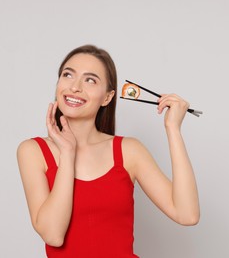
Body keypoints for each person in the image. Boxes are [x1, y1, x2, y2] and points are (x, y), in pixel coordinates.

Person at [16, 44, 200, 257]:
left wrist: (173, 129)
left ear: (107, 97)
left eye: (90, 80)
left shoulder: (129, 151)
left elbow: (187, 214)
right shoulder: (32, 151)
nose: (75, 87)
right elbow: (53, 235)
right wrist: (68, 153)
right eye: (68, 75)